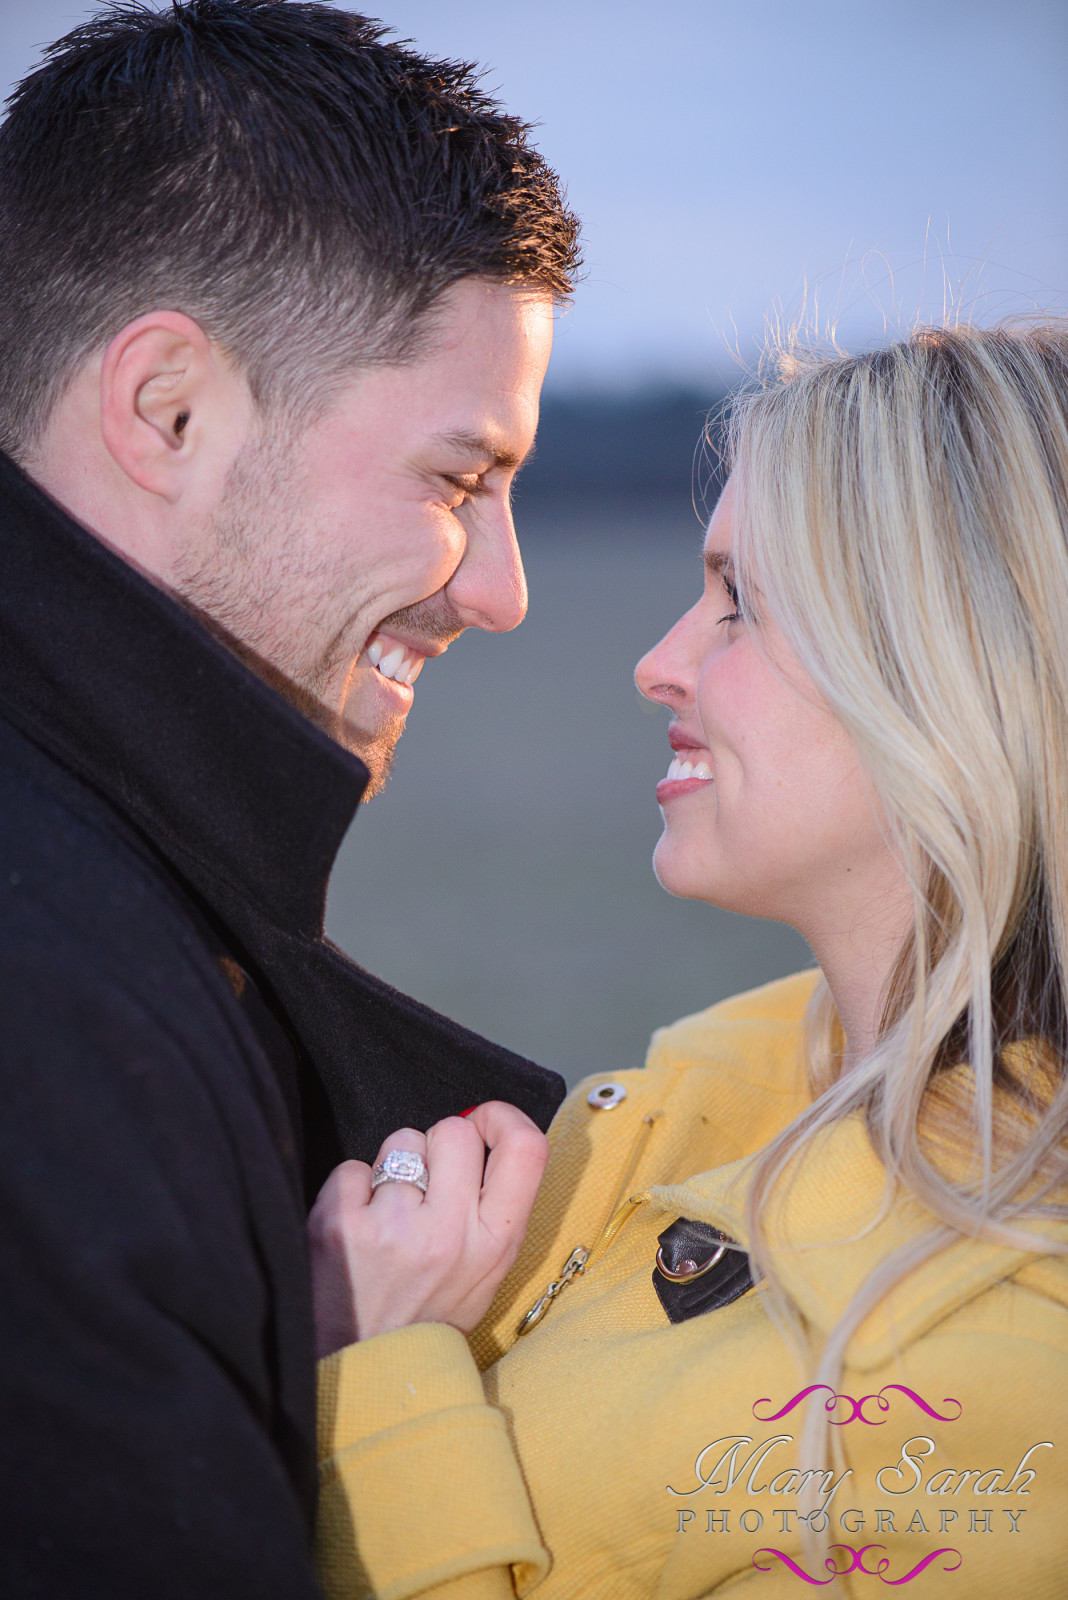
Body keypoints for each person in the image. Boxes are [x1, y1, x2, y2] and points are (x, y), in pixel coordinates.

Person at [309, 323, 1068, 1599]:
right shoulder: (720, 1094)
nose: (659, 662)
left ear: (962, 669)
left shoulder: (1010, 1378)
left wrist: (379, 1368)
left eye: (742, 606)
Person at [0, 3, 579, 1595]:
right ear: (170, 411)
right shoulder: (62, 1027)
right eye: (461, 481)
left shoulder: (122, 917)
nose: (507, 593)